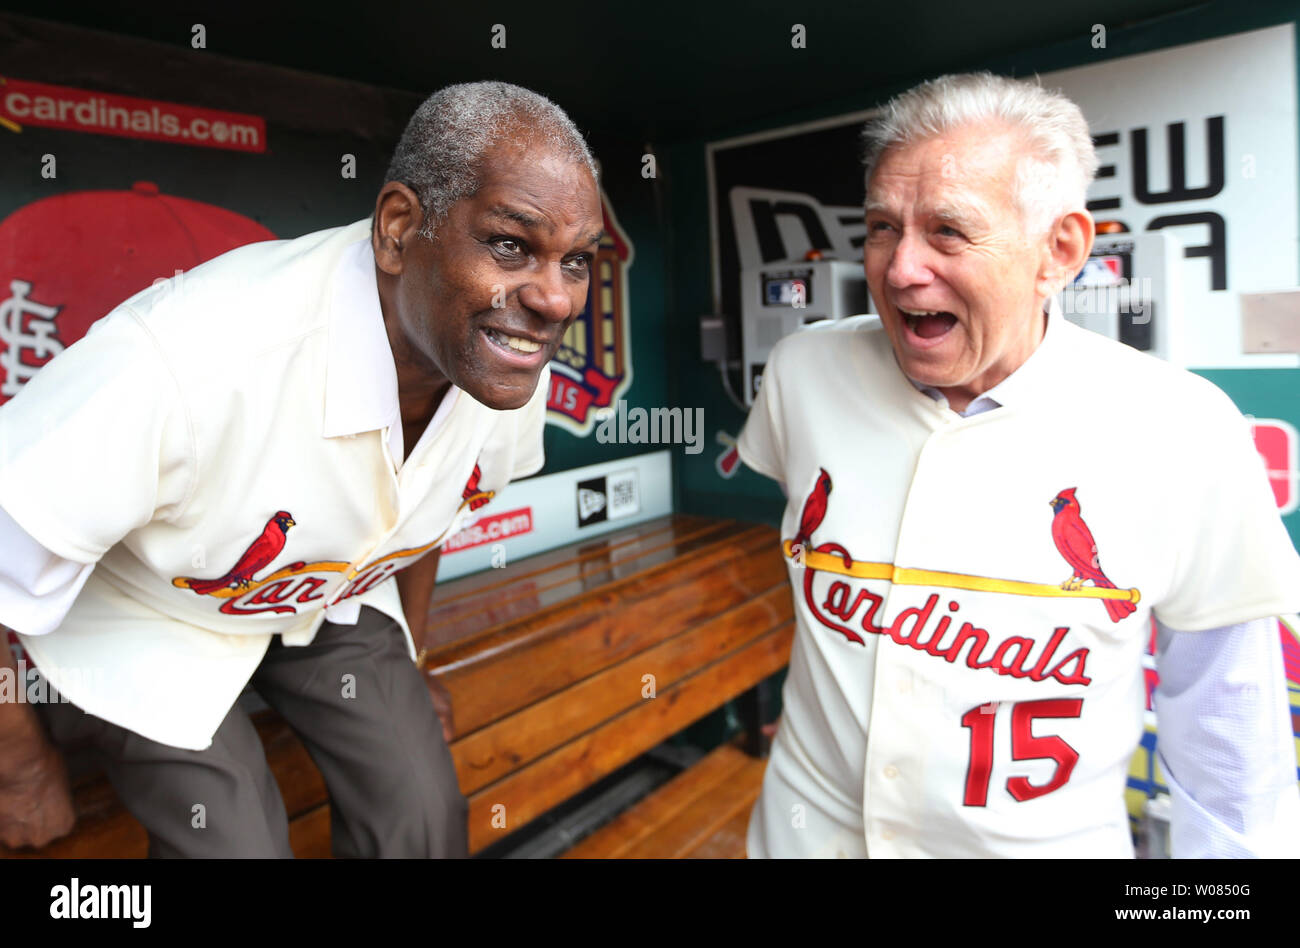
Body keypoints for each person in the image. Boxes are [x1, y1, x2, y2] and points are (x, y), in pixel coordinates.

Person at [0, 80, 603, 858]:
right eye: (511, 245)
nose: (555, 300)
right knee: (234, 841)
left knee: (420, 816)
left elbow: (431, 510)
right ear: (398, 228)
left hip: (321, 598)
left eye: (578, 260)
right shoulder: (187, 359)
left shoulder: (504, 357)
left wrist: (409, 663)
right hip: (149, 614)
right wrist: (18, 766)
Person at [738, 72, 1300, 858]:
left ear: (1059, 251)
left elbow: (1231, 755)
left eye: (948, 232)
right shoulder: (801, 370)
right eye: (880, 228)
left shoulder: (1186, 427)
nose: (901, 269)